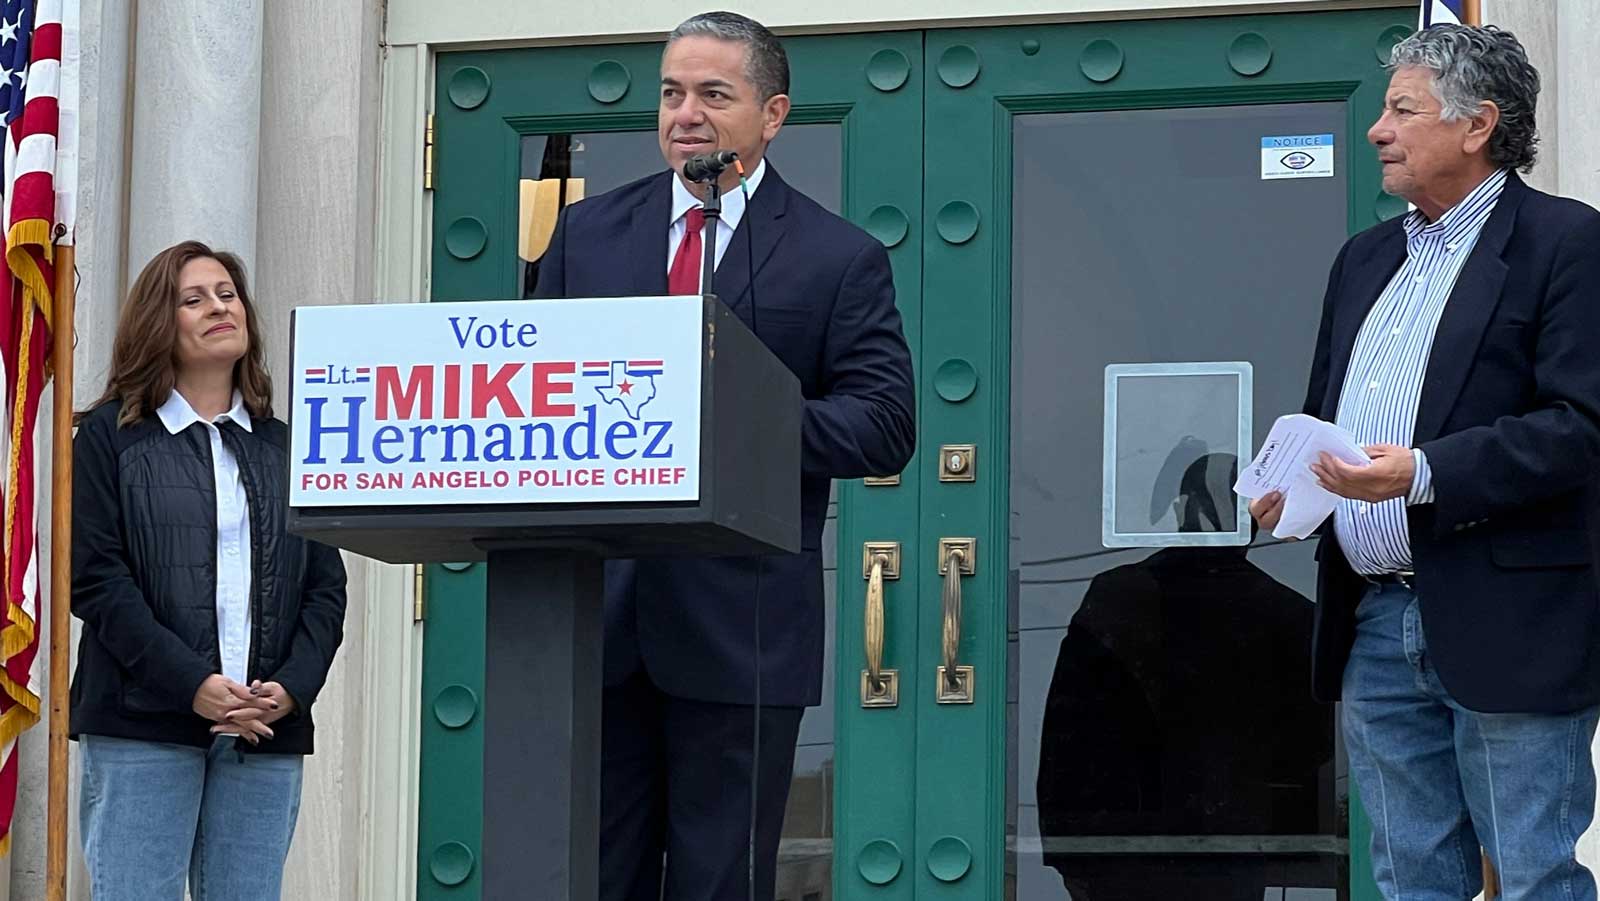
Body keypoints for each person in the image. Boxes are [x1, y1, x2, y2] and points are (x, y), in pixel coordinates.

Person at [532, 10, 916, 900]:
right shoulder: (588, 237)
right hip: (596, 622)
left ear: (773, 114)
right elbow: (528, 383)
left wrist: (741, 419)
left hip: (741, 628)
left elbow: (884, 421)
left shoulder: (837, 257)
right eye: (671, 93)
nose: (686, 114)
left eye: (714, 93)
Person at [1250, 25, 1600, 900]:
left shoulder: (1566, 243)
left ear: (1478, 125)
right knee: (1409, 880)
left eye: (1402, 109)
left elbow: (1579, 426)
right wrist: (1290, 490)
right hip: (1372, 620)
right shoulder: (1364, 258)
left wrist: (1421, 473)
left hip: (1512, 619)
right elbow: (1328, 414)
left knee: (1533, 875)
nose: (1377, 128)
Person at [70, 241, 349, 900]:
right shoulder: (111, 438)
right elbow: (97, 579)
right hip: (143, 723)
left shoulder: (287, 445)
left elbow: (325, 588)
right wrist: (190, 682)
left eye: (227, 293)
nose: (218, 307)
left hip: (262, 730)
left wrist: (290, 687)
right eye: (193, 299)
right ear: (156, 324)